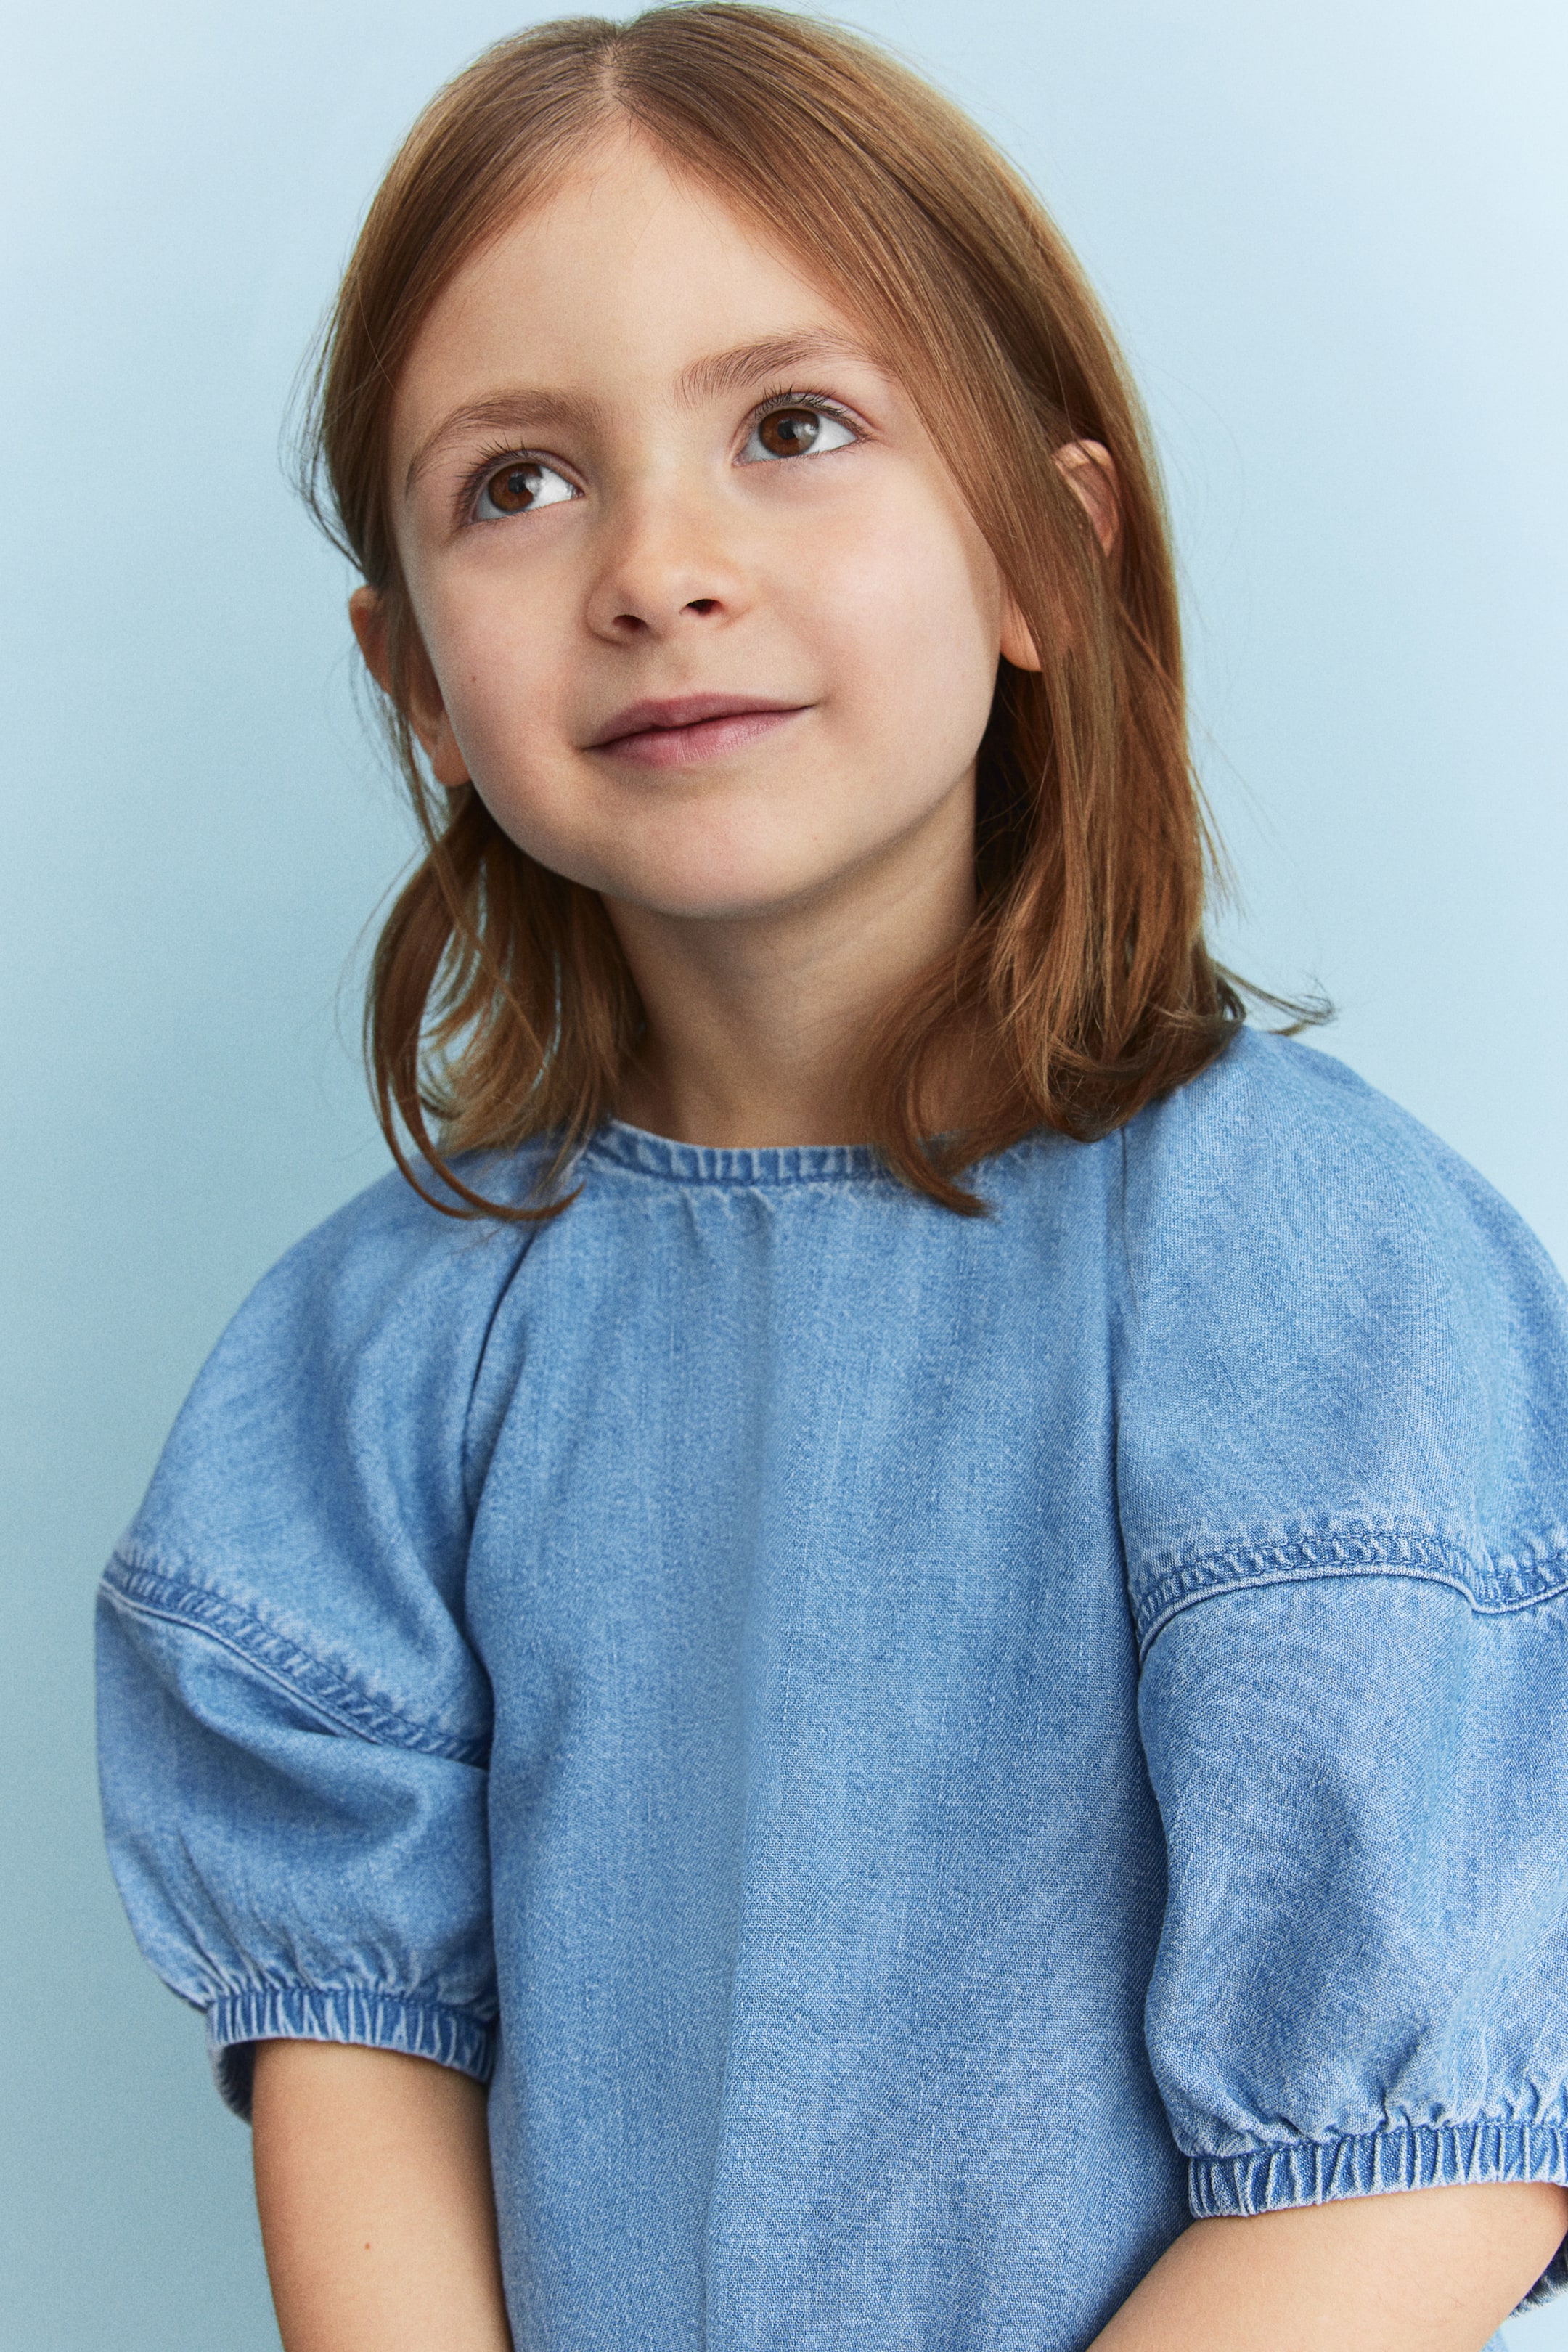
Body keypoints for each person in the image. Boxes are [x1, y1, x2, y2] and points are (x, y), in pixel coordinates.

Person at [94, 9, 1568, 2348]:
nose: (662, 567)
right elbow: (358, 2074)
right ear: (412, 685)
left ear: (1044, 558)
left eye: (795, 427)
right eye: (517, 481)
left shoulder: (1318, 1278)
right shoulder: (373, 1360)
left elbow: (1426, 2167)